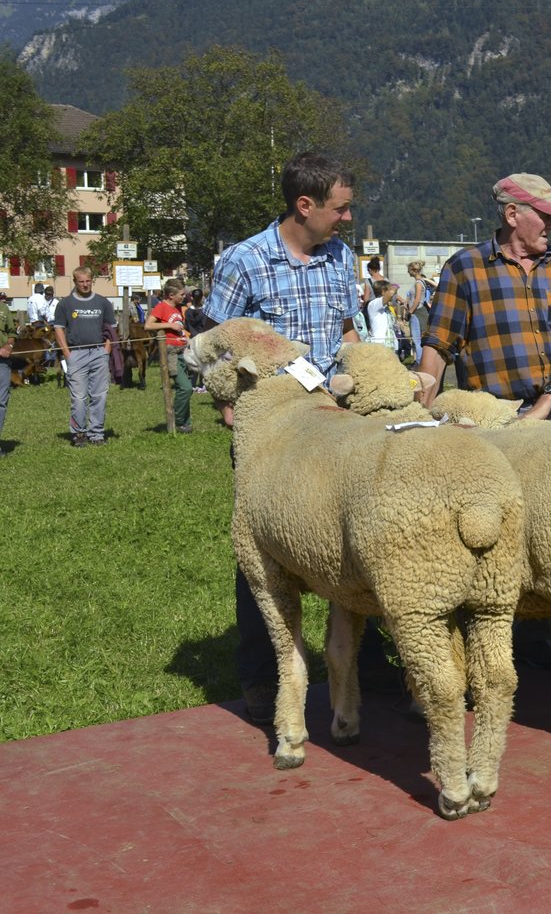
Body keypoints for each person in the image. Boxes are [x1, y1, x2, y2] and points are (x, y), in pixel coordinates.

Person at [204, 151, 363, 724]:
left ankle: (356, 668)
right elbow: (215, 344)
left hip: (337, 423)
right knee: (264, 549)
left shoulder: (340, 256)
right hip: (272, 430)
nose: (346, 219)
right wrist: (229, 406)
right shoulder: (244, 260)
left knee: (351, 538)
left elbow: (348, 330)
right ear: (305, 205)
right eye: (340, 209)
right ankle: (263, 675)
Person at [418, 172, 551, 419]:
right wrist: (419, 417)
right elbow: (438, 348)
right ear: (512, 215)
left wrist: (544, 405)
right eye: (545, 216)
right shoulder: (465, 268)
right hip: (492, 417)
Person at [52, 267, 116, 447]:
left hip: (98, 353)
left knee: (99, 396)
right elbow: (58, 328)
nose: (85, 284)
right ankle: (79, 433)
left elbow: (111, 328)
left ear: (92, 280)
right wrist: (67, 353)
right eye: (81, 281)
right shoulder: (65, 304)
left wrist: (106, 350)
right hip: (76, 353)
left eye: (88, 281)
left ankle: (96, 433)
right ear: (75, 282)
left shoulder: (103, 303)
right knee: (79, 398)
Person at [144, 278, 194, 432]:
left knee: (187, 387)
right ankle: (178, 421)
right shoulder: (161, 307)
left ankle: (185, 422)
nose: (184, 296)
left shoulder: (179, 308)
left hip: (183, 350)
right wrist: (169, 325)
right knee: (185, 387)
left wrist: (187, 338)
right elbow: (148, 325)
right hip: (171, 352)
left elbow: (180, 328)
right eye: (181, 294)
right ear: (171, 295)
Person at [405, 260, 432, 363]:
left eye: (408, 270)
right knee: (419, 339)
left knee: (417, 340)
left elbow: (417, 300)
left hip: (417, 313)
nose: (408, 272)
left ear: (413, 270)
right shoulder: (422, 281)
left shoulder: (418, 283)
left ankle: (419, 362)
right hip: (421, 312)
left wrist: (410, 312)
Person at [364, 279, 400, 351]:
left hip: (390, 345)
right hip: (380, 346)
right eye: (388, 290)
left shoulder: (387, 307)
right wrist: (395, 286)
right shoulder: (374, 304)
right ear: (383, 291)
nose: (393, 294)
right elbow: (390, 294)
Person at [0, 293, 13, 455]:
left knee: (1, 402)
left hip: (2, 362)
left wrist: (9, 346)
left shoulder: (4, 309)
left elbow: (12, 334)